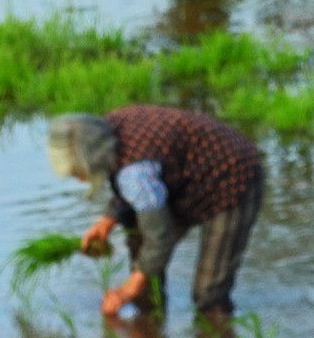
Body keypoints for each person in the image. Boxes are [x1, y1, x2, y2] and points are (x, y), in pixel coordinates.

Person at [46, 104, 263, 318]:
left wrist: (129, 289)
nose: (78, 178)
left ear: (93, 158)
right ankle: (148, 321)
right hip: (183, 174)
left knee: (209, 294)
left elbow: (160, 237)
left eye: (78, 171)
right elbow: (132, 188)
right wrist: (107, 221)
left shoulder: (135, 173)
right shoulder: (103, 131)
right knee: (140, 244)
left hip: (232, 176)